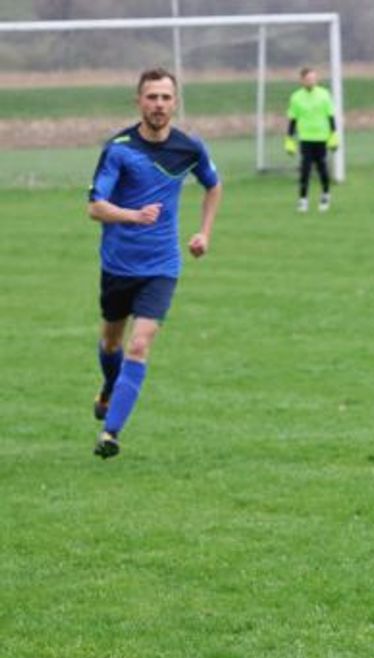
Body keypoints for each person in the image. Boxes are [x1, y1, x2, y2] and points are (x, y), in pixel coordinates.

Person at [88, 67, 223, 459]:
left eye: (165, 97)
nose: (159, 105)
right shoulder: (119, 149)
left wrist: (204, 233)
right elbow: (95, 207)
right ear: (139, 102)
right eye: (152, 97)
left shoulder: (190, 148)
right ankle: (110, 388)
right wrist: (132, 215)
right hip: (117, 265)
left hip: (162, 266)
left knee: (139, 345)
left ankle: (110, 433)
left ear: (175, 102)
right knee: (111, 341)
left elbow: (213, 185)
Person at [285, 66, 339, 212]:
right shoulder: (296, 97)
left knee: (322, 168)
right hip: (306, 138)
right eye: (308, 79)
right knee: (305, 169)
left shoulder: (324, 95)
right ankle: (303, 199)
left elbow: (330, 116)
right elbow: (293, 119)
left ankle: (325, 195)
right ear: (302, 81)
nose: (311, 82)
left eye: (314, 79)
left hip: (321, 138)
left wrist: (333, 135)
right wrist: (289, 139)